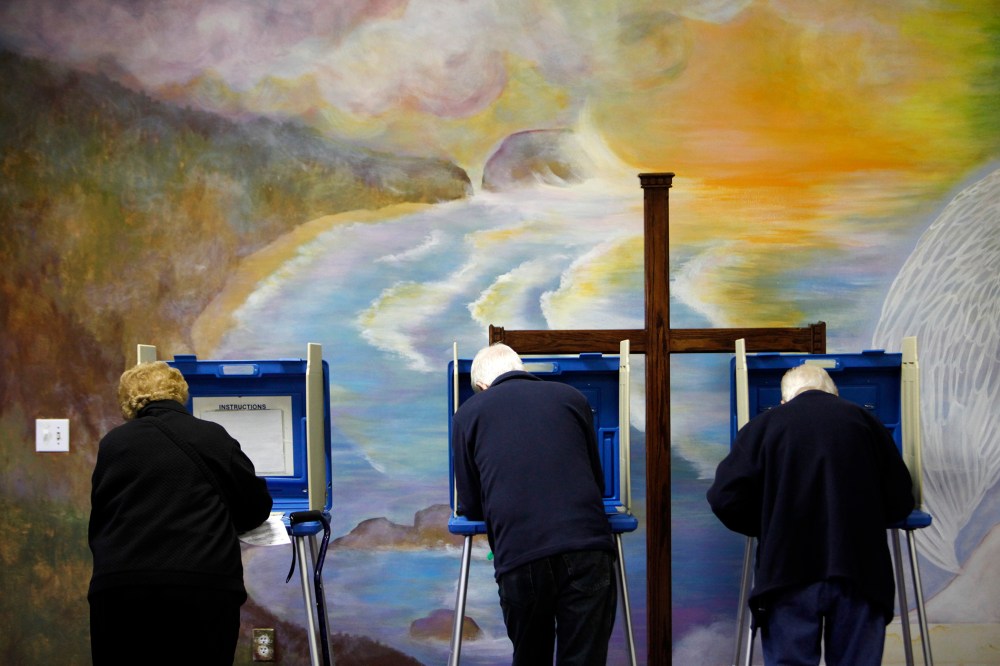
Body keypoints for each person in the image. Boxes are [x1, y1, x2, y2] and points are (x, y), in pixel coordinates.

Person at [707, 363, 915, 666]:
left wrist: (768, 523)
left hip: (787, 574)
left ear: (784, 400)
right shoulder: (867, 423)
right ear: (834, 393)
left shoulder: (764, 426)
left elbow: (723, 498)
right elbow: (900, 502)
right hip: (860, 572)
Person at [88, 361, 273, 665]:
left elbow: (102, 515)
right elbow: (255, 507)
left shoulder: (113, 444)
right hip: (201, 588)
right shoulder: (212, 437)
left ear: (128, 399)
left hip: (121, 590)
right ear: (179, 393)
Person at [452, 343, 617, 666]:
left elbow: (471, 504)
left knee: (530, 658)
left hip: (521, 553)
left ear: (483, 386)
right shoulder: (572, 398)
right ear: (521, 368)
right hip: (587, 547)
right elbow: (597, 483)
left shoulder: (468, 414)